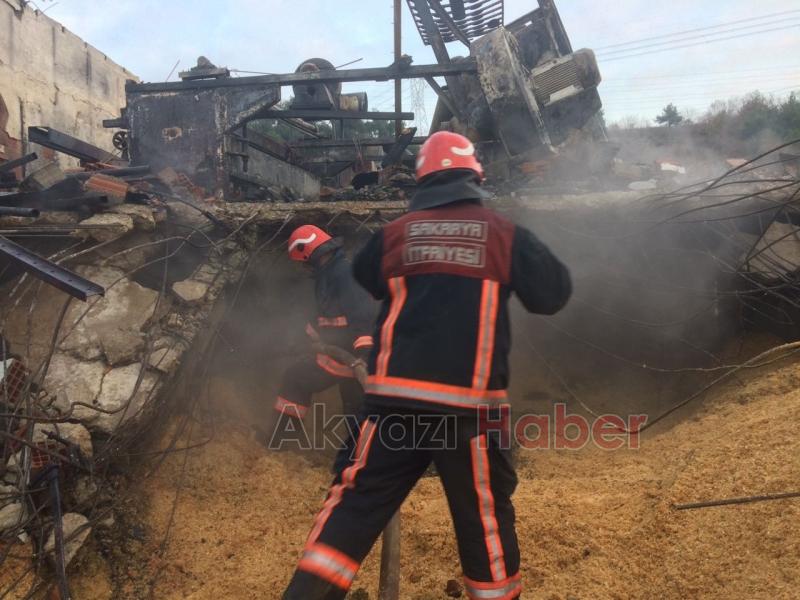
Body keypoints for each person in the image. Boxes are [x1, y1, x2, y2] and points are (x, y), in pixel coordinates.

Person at [282, 131, 572, 600]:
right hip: (469, 415)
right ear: (474, 176)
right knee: (484, 524)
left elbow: (366, 278)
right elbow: (553, 295)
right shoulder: (504, 234)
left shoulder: (393, 236)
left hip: (393, 408)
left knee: (352, 508)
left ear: (422, 180)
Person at [270, 225, 375, 448]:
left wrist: (364, 354)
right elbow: (327, 317)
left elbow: (363, 316)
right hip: (340, 355)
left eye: (303, 261)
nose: (304, 267)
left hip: (356, 358)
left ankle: (366, 462)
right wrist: (307, 337)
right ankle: (284, 443)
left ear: (309, 253)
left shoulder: (345, 274)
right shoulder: (328, 274)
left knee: (356, 412)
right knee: (298, 379)